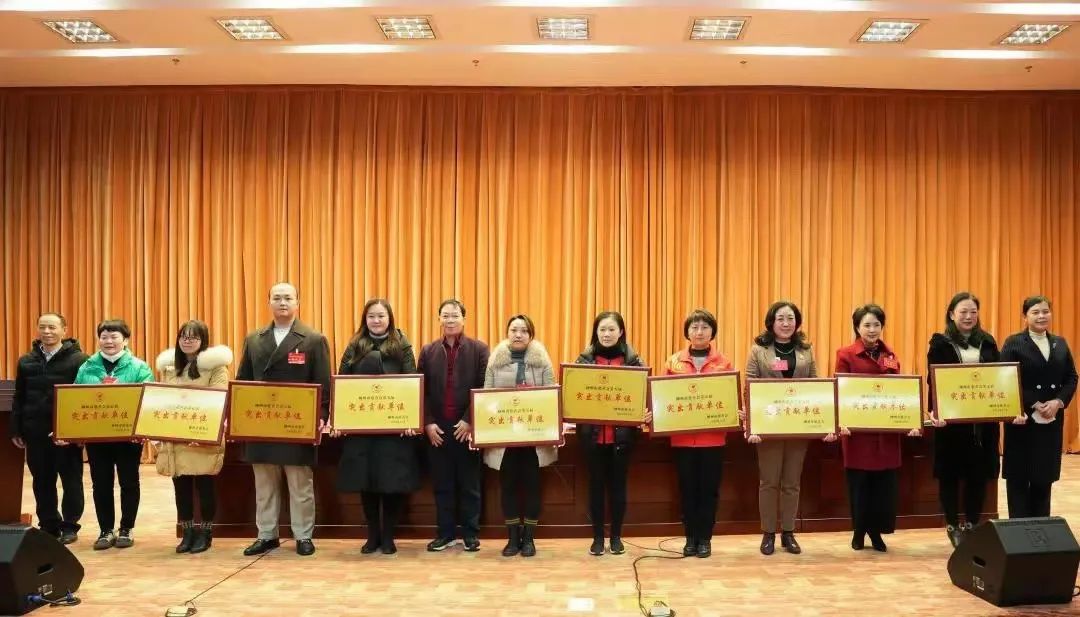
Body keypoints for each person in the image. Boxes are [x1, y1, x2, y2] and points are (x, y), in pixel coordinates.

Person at [236, 282, 331, 557]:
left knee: (300, 484)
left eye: (288, 298)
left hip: (297, 423)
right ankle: (266, 534)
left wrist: (321, 416)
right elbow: (243, 381)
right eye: (277, 298)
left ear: (297, 302)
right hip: (261, 423)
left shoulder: (313, 339)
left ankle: (303, 535)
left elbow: (323, 384)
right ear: (269, 303)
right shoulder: (254, 339)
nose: (282, 302)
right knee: (264, 485)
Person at [744, 301, 835, 556]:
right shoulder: (758, 350)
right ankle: (768, 533)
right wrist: (752, 424)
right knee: (769, 482)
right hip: (768, 427)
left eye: (791, 319)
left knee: (792, 482)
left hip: (797, 426)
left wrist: (826, 423)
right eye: (781, 318)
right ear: (771, 322)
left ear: (797, 322)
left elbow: (816, 386)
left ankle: (788, 532)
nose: (786, 323)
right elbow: (749, 387)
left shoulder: (806, 350)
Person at [334, 299, 420, 555]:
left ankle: (389, 536)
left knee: (391, 483)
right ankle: (372, 535)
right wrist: (338, 420)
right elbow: (342, 383)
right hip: (362, 429)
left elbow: (411, 382)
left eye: (381, 315)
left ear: (389, 318)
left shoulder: (402, 345)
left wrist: (410, 419)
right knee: (367, 482)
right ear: (365, 319)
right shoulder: (354, 345)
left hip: (393, 429)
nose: (376, 320)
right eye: (371, 316)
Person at [835, 304, 920, 552]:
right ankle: (859, 531)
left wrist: (909, 420)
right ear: (857, 327)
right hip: (858, 432)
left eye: (876, 325)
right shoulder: (846, 354)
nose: (872, 330)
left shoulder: (890, 355)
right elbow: (840, 389)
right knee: (860, 485)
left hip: (886, 433)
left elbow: (899, 391)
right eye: (867, 325)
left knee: (883, 486)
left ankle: (876, 532)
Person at [927, 291, 1001, 547]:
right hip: (951, 423)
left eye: (973, 312)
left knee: (977, 474)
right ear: (951, 314)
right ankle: (952, 524)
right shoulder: (940, 343)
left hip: (982, 424)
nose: (969, 316)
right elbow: (933, 381)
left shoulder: (988, 342)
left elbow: (1000, 377)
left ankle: (971, 523)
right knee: (950, 474)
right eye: (963, 312)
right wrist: (935, 411)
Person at [74, 319, 154, 550]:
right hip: (97, 437)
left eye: (114, 336)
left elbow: (148, 398)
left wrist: (142, 429)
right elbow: (75, 399)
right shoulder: (87, 367)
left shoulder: (139, 367)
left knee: (129, 482)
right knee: (100, 483)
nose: (108, 341)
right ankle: (105, 530)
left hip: (128, 437)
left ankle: (126, 528)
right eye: (104, 337)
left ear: (125, 340)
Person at [417, 299, 489, 553]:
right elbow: (420, 391)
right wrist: (427, 423)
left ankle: (470, 534)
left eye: (455, 315)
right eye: (445, 315)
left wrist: (470, 420)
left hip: (467, 427)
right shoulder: (428, 351)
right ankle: (445, 534)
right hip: (437, 428)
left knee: (470, 485)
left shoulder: (479, 349)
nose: (450, 320)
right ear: (439, 319)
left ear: (464, 319)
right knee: (442, 484)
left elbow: (484, 386)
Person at [155, 320, 232, 554]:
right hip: (176, 436)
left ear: (203, 341)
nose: (187, 341)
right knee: (181, 488)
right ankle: (187, 532)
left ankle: (206, 532)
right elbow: (162, 399)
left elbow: (219, 398)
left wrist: (202, 430)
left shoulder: (216, 367)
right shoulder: (169, 367)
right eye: (184, 336)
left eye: (194, 337)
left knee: (205, 486)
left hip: (202, 435)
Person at [10, 312, 88, 544]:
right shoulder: (26, 361)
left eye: (52, 327)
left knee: (71, 481)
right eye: (42, 327)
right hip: (35, 431)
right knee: (42, 481)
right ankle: (49, 524)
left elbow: (85, 398)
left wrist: (79, 432)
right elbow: (19, 396)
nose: (47, 331)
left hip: (66, 433)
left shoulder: (80, 360)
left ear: (64, 330)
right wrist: (16, 429)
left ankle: (70, 526)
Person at [483, 314, 556, 558]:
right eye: (514, 330)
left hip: (534, 439)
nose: (518, 334)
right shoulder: (495, 360)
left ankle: (529, 538)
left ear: (530, 335)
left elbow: (551, 396)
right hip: (505, 439)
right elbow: (486, 397)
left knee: (533, 488)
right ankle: (513, 537)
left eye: (524, 330)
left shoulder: (542, 360)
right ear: (507, 333)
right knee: (508, 488)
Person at [664, 309, 734, 559]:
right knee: (687, 490)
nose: (699, 332)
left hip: (712, 439)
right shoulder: (673, 363)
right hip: (682, 439)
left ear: (712, 332)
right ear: (687, 332)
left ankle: (705, 538)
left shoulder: (724, 363)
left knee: (709, 490)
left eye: (705, 327)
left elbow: (729, 397)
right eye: (694, 327)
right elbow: (664, 397)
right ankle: (690, 538)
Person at [1000, 295, 1077, 518]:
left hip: (1051, 419)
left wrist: (1058, 401)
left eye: (1045, 311)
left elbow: (1071, 377)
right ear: (1025, 317)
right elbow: (1005, 378)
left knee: (1044, 478)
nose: (1041, 316)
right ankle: (1018, 531)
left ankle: (1041, 530)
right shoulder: (1013, 343)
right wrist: (1034, 402)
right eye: (1035, 312)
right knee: (1019, 479)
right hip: (1022, 419)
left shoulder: (1060, 343)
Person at [575, 311, 645, 557]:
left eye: (611, 329)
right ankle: (597, 537)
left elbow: (642, 397)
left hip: (622, 438)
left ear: (621, 332)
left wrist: (645, 411)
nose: (606, 334)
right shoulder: (583, 361)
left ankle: (615, 537)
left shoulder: (633, 362)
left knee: (618, 488)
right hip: (592, 438)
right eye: (602, 329)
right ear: (596, 332)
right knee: (595, 487)